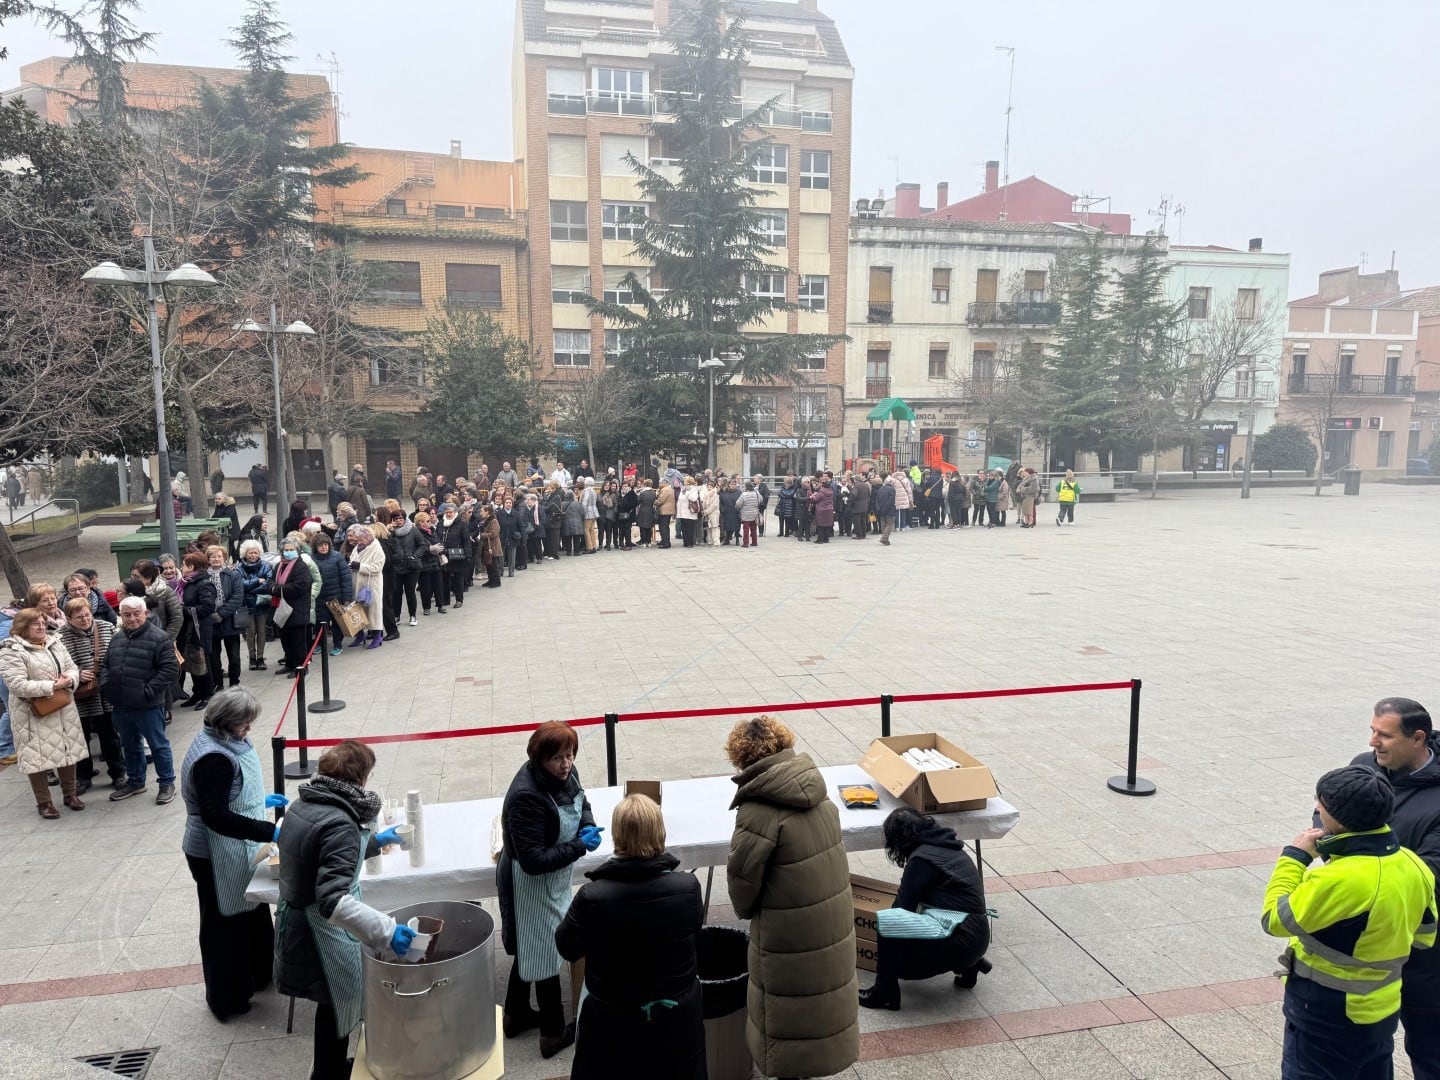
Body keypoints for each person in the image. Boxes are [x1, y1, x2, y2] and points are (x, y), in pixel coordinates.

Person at [1263, 765, 1436, 1079]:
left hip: (1325, 1015)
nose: (1317, 809)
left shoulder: (1338, 879)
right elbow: (1425, 934)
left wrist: (1293, 857)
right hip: (1381, 1013)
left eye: (1321, 805)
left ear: (1339, 819)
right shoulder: (1414, 864)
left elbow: (1275, 918)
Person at [725, 715, 859, 1078]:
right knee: (820, 1004)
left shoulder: (758, 811)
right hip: (829, 926)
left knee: (787, 1017)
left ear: (742, 759)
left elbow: (742, 889)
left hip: (787, 933)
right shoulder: (817, 792)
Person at [275, 740, 409, 1080]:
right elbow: (332, 898)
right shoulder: (341, 822)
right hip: (321, 932)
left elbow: (320, 857)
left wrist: (376, 843)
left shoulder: (304, 803)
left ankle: (330, 1068)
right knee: (335, 1003)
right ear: (360, 778)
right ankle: (328, 1074)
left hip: (299, 919)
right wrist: (388, 931)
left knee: (332, 1004)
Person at [556, 793, 705, 1080]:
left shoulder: (593, 897)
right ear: (659, 832)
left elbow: (566, 946)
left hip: (612, 1020)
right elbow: (694, 929)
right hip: (676, 1020)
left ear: (617, 837)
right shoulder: (687, 887)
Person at [1347, 698, 1440, 1077]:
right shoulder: (1364, 765)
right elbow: (1329, 810)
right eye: (1372, 730)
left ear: (1418, 738)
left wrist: (1356, 866)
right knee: (1366, 1054)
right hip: (1370, 952)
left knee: (1429, 1051)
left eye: (1384, 735)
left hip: (1424, 958)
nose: (1373, 742)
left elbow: (1430, 875)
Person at [180, 688, 285, 1021]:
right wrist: (270, 831)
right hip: (212, 852)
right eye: (244, 724)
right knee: (223, 923)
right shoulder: (213, 759)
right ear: (226, 723)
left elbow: (233, 793)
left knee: (251, 912)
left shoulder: (227, 742)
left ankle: (258, 974)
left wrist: (260, 800)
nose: (249, 730)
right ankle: (227, 998)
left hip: (236, 847)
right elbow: (215, 814)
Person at [498, 721, 599, 1059]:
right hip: (532, 882)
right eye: (557, 758)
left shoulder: (566, 774)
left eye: (570, 755)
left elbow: (582, 802)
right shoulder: (527, 795)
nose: (566, 764)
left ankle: (514, 1015)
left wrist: (586, 825)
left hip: (554, 878)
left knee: (533, 944)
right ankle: (551, 1035)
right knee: (545, 952)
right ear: (539, 758)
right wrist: (579, 847)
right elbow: (533, 860)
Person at [858, 807, 992, 1011]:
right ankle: (971, 965)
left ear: (899, 840)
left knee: (889, 925)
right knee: (920, 923)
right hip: (978, 934)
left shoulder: (921, 860)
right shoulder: (947, 845)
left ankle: (884, 992)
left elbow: (902, 912)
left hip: (961, 940)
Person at [0, 607, 87, 818]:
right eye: (34, 624)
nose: (41, 627)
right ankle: (44, 802)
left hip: (63, 707)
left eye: (42, 622)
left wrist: (70, 679)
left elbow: (72, 667)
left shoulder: (55, 642)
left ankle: (70, 794)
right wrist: (53, 686)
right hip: (32, 713)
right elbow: (17, 685)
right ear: (22, 627)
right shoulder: (11, 650)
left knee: (68, 750)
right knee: (36, 758)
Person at [102, 596, 179, 804]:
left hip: (148, 705)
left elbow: (170, 670)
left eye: (137, 613)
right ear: (121, 615)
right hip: (121, 704)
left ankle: (166, 783)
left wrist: (148, 691)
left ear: (146, 613)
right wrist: (106, 686)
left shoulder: (160, 638)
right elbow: (106, 665)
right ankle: (136, 781)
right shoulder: (117, 638)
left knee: (158, 745)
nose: (132, 618)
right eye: (127, 614)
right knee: (129, 744)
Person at [59, 597, 125, 794]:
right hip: (78, 695)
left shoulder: (105, 627)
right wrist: (77, 673)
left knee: (110, 735)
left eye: (87, 615)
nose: (85, 620)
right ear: (69, 618)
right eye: (79, 617)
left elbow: (118, 654)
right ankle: (83, 776)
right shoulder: (59, 637)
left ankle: (118, 773)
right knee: (79, 738)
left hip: (104, 692)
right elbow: (57, 665)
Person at [176, 552, 218, 710]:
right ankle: (198, 692)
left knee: (202, 660)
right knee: (192, 660)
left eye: (185, 564)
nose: (182, 567)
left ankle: (207, 693)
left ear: (192, 567)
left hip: (200, 628)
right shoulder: (187, 582)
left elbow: (207, 607)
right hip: (189, 628)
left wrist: (185, 610)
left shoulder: (204, 583)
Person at [270, 537, 314, 675]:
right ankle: (290, 663)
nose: (289, 552)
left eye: (292, 550)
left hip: (297, 609)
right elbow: (271, 583)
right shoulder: (279, 566)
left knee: (298, 641)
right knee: (286, 640)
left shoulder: (301, 566)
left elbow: (300, 586)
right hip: (281, 609)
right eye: (286, 550)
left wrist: (278, 589)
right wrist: (275, 588)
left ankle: (301, 667)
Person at [205, 546, 244, 689]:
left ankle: (234, 681)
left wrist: (221, 613)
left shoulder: (233, 575)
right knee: (213, 656)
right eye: (213, 556)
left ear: (224, 558)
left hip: (229, 620)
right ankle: (217, 683)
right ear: (208, 559)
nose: (216, 559)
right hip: (210, 621)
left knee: (234, 656)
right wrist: (210, 613)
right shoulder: (204, 576)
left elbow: (237, 597)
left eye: (219, 556)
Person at [309, 532, 353, 655]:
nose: (324, 547)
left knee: (337, 623)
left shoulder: (337, 557)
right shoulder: (311, 558)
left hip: (335, 597)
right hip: (319, 597)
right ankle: (319, 644)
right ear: (315, 547)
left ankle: (337, 645)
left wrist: (347, 598)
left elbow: (346, 578)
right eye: (321, 545)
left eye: (326, 544)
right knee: (319, 622)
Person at [347, 525, 387, 649]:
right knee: (358, 610)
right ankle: (360, 635)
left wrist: (360, 566)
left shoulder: (377, 549)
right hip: (357, 582)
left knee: (374, 610)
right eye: (357, 540)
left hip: (371, 584)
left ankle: (377, 636)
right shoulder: (357, 547)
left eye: (361, 540)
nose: (358, 542)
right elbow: (353, 560)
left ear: (369, 537)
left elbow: (377, 568)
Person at [236, 541, 273, 671]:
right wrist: (257, 581)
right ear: (245, 554)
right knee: (250, 632)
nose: (253, 555)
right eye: (250, 552)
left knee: (262, 632)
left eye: (255, 552)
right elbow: (240, 585)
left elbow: (268, 584)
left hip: (262, 603)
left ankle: (261, 657)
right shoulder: (239, 568)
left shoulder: (266, 566)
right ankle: (252, 658)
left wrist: (250, 588)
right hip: (247, 605)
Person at [476, 503, 503, 589]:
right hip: (487, 546)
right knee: (488, 564)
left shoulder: (494, 521)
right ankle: (491, 579)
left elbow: (493, 533)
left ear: (487, 512)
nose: (480, 513)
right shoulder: (485, 521)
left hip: (493, 546)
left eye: (482, 511)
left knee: (494, 564)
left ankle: (496, 580)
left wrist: (482, 535)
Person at [875, 471, 897, 545]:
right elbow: (891, 501)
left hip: (881, 510)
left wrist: (879, 508)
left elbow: (877, 500)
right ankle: (884, 538)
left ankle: (884, 537)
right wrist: (885, 508)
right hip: (889, 510)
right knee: (890, 524)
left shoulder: (880, 489)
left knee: (883, 524)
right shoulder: (892, 490)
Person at [808, 477, 834, 543]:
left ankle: (820, 539)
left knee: (821, 525)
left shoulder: (821, 492)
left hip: (821, 510)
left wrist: (812, 496)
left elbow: (814, 499)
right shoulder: (831, 491)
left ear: (822, 485)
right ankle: (826, 539)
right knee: (827, 525)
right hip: (829, 509)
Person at [737, 480, 762, 547]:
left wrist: (739, 508)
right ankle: (754, 542)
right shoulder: (756, 493)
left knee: (746, 529)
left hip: (745, 514)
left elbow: (738, 504)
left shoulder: (744, 494)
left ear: (746, 487)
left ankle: (746, 543)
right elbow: (761, 499)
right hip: (754, 513)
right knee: (754, 529)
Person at [653, 475, 674, 549]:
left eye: (660, 483)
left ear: (663, 483)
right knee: (666, 527)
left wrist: (655, 501)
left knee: (663, 528)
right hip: (668, 511)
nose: (659, 485)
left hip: (664, 511)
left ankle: (665, 543)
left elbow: (661, 500)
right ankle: (666, 541)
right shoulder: (669, 489)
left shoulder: (665, 490)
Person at [719, 479, 740, 546]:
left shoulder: (739, 492)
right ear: (729, 485)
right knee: (727, 526)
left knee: (736, 526)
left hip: (736, 512)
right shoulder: (724, 492)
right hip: (726, 512)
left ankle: (737, 539)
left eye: (735, 484)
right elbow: (721, 502)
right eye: (732, 484)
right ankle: (727, 539)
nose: (733, 486)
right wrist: (722, 509)